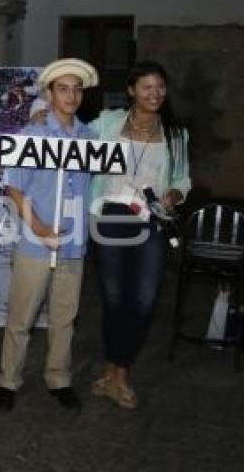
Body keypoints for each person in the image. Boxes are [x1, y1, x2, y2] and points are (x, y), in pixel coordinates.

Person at [0, 58, 99, 413]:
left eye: (76, 89)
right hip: (36, 241)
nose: (71, 96)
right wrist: (37, 226)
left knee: (65, 316)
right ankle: (8, 380)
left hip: (73, 241)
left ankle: (59, 378)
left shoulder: (90, 137)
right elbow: (13, 188)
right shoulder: (32, 135)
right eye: (63, 89)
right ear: (50, 94)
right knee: (21, 316)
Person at [90, 60, 190, 410]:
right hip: (109, 215)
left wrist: (173, 195)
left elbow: (182, 181)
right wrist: (41, 116)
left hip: (151, 219)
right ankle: (114, 374)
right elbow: (70, 137)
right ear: (131, 91)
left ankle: (118, 371)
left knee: (145, 299)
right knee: (114, 297)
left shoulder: (176, 134)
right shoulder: (107, 122)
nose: (155, 94)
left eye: (160, 87)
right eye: (147, 87)